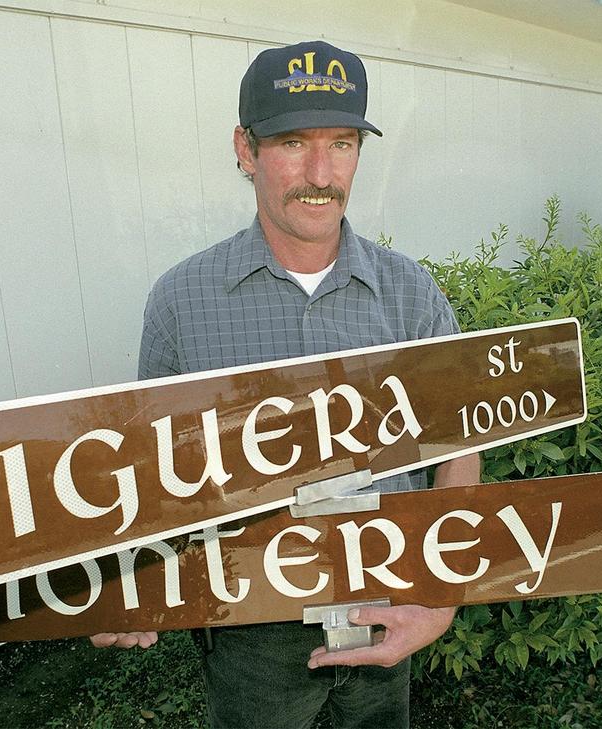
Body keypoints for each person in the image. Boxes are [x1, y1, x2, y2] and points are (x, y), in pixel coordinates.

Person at [90, 39, 480, 728]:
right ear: (245, 149)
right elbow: (150, 471)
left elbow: (460, 450)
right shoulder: (182, 300)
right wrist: (129, 583)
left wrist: (440, 598)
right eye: (294, 143)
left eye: (343, 143)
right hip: (250, 633)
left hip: (388, 604)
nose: (321, 173)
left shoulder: (411, 293)